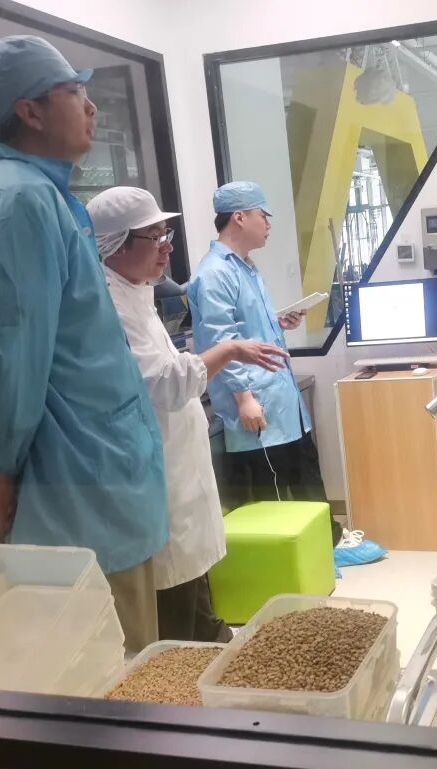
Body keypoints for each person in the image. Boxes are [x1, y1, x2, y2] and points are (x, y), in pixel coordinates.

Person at [0, 36, 168, 653]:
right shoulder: (18, 201)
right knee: (112, 674)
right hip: (75, 489)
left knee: (126, 665)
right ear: (31, 111)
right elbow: (8, 360)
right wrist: (2, 473)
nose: (91, 107)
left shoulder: (40, 194)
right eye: (74, 93)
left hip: (92, 474)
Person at [87, 186, 289, 641]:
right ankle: (193, 655)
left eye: (168, 234)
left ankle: (210, 638)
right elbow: (162, 383)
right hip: (152, 466)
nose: (167, 247)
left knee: (191, 567)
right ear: (115, 245)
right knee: (174, 576)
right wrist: (230, 352)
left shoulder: (139, 290)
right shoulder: (108, 306)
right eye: (154, 237)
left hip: (177, 455)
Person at [187, 182, 340, 544]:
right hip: (259, 412)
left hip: (282, 404)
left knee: (306, 485)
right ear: (239, 217)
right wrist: (244, 398)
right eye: (263, 215)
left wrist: (278, 322)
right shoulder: (215, 274)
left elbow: (246, 330)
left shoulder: (245, 268)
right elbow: (221, 341)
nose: (268, 224)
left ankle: (325, 549)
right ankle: (302, 562)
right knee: (275, 504)